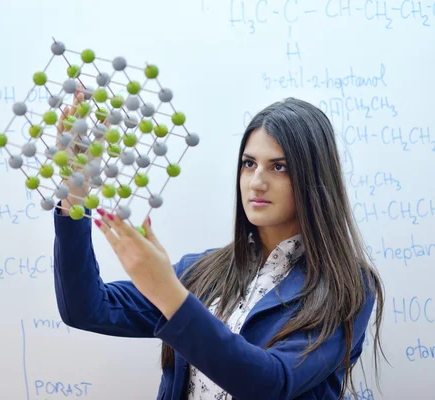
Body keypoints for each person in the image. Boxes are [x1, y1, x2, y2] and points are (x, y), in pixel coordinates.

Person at [51, 89, 385, 400]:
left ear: (314, 178)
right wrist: (74, 196)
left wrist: (170, 294)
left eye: (279, 167)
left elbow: (270, 383)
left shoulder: (348, 286)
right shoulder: (203, 271)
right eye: (249, 163)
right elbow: (85, 308)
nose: (257, 182)